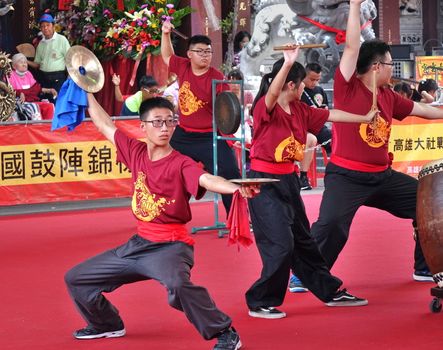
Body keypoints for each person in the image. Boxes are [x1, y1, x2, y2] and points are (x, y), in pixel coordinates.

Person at [65, 95, 260, 350]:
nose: (165, 128)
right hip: (138, 244)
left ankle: (224, 332)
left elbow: (206, 179)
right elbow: (104, 124)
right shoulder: (135, 151)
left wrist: (234, 188)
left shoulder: (181, 162)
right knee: (77, 278)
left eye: (170, 121)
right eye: (157, 122)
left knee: (178, 285)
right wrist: (86, 89)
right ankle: (107, 324)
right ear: (142, 125)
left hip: (170, 246)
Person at [310, 0, 443, 284]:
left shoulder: (389, 96)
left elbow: (427, 111)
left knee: (427, 202)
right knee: (331, 224)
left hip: (382, 178)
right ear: (376, 65)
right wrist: (356, 5)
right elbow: (351, 48)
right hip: (346, 177)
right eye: (389, 64)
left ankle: (425, 266)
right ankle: (307, 273)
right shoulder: (347, 85)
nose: (391, 69)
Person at [245, 45, 378, 319]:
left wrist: (363, 118)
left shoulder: (301, 110)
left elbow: (332, 115)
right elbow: (272, 93)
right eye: (301, 84)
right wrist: (287, 62)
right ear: (291, 84)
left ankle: (329, 291)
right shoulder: (264, 109)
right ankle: (260, 300)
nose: (304, 89)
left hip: (288, 180)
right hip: (262, 183)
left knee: (304, 241)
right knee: (281, 243)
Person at [161, 21, 241, 214]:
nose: (205, 55)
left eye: (208, 52)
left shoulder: (217, 76)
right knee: (168, 171)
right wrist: (165, 34)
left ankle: (237, 217)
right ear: (190, 54)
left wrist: (227, 134)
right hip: (184, 135)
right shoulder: (183, 67)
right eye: (201, 51)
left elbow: (227, 111)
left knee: (230, 174)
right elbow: (167, 56)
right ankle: (166, 214)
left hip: (209, 136)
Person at [298, 62, 332, 190]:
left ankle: (335, 175)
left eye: (317, 80)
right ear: (304, 76)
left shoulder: (320, 90)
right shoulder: (298, 90)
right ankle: (303, 176)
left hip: (319, 126)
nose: (315, 83)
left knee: (336, 141)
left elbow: (325, 110)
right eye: (312, 79)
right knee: (310, 138)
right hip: (303, 127)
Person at [27, 13, 70, 93]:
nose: (45, 28)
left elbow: (69, 60)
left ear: (53, 26)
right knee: (45, 102)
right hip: (43, 78)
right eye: (43, 26)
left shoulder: (62, 40)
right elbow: (37, 64)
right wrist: (25, 61)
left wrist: (69, 77)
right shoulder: (41, 44)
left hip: (58, 78)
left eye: (48, 25)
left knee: (57, 103)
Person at [9, 53, 56, 120]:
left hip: (31, 100)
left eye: (25, 62)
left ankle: (49, 128)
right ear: (14, 66)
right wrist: (19, 93)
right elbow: (8, 91)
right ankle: (38, 128)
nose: (24, 64)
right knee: (34, 107)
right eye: (21, 62)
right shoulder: (10, 75)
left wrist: (49, 90)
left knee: (49, 106)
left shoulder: (28, 74)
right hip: (19, 103)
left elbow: (36, 89)